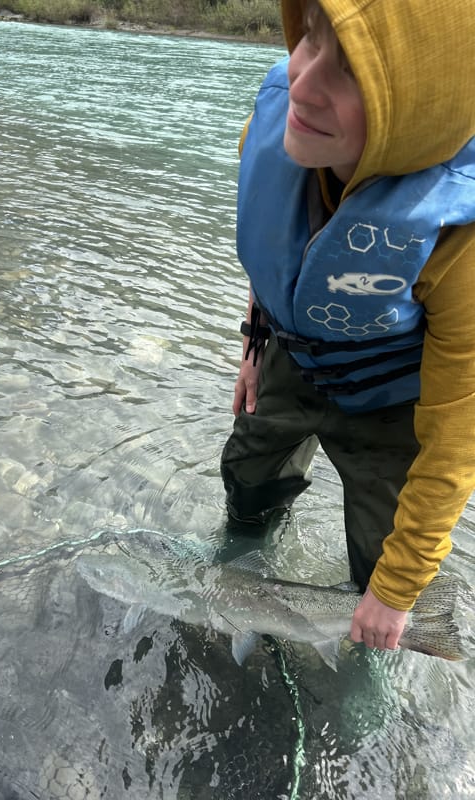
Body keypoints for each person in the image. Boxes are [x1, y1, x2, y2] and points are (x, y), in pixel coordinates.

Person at [221, 0, 475, 653]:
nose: (301, 83)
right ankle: (240, 579)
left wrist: (394, 594)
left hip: (393, 405)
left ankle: (388, 666)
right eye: (308, 38)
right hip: (290, 356)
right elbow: (276, 247)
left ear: (421, 107)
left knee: (381, 572)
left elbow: (454, 446)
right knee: (247, 482)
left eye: (353, 73)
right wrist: (254, 344)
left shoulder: (462, 243)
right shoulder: (278, 125)